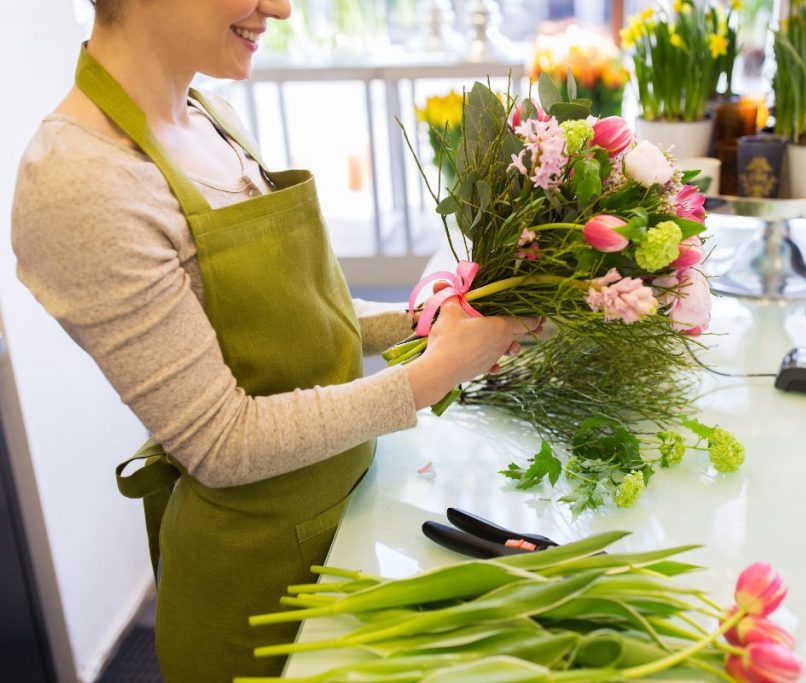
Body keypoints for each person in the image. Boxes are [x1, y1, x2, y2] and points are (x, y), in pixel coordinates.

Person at [10, 1, 538, 680]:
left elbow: (297, 317)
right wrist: (433, 373)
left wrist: (430, 320)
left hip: (340, 523)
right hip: (257, 596)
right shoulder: (79, 182)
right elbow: (222, 439)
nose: (281, 7)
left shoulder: (205, 114)